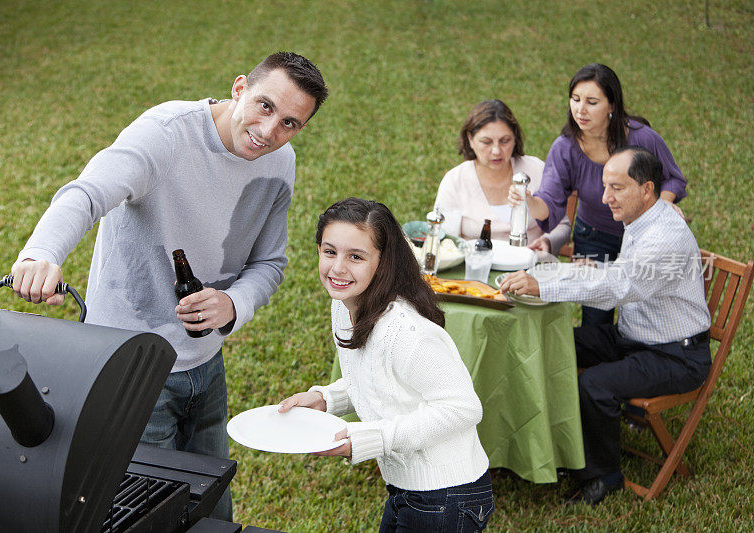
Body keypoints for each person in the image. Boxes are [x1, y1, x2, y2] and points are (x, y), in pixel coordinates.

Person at [9, 51, 328, 521]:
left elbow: (270, 263)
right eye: (265, 106)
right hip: (132, 365)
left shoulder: (279, 162)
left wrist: (233, 303)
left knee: (213, 504)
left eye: (290, 123)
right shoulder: (166, 134)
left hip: (205, 363)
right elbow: (87, 193)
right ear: (239, 87)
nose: (270, 131)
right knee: (143, 514)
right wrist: (41, 254)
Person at [500, 146, 710, 505]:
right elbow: (616, 274)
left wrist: (544, 284)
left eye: (616, 188)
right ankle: (557, 446)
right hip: (635, 335)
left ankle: (604, 476)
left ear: (646, 190)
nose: (604, 197)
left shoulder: (664, 237)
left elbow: (618, 287)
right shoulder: (642, 220)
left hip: (676, 356)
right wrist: (548, 270)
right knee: (555, 344)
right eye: (604, 186)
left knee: (595, 384)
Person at [278, 198, 494, 532]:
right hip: (408, 487)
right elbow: (378, 378)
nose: (337, 268)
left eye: (356, 257)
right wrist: (325, 398)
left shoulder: (406, 332)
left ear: (383, 261)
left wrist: (373, 438)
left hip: (448, 495)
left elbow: (463, 408)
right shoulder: (345, 305)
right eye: (329, 251)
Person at [511, 63, 688, 326]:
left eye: (592, 102)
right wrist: (529, 201)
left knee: (645, 313)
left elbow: (672, 178)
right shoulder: (565, 147)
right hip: (594, 238)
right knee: (596, 323)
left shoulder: (642, 138)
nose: (580, 110)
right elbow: (549, 204)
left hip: (643, 239)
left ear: (612, 106)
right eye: (575, 99)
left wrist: (661, 208)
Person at [435, 99, 571, 255]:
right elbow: (443, 239)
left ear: (515, 138)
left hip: (531, 268)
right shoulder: (454, 181)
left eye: (504, 141)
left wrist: (548, 241)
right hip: (476, 270)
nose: (496, 151)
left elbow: (562, 224)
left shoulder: (536, 170)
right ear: (470, 140)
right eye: (486, 142)